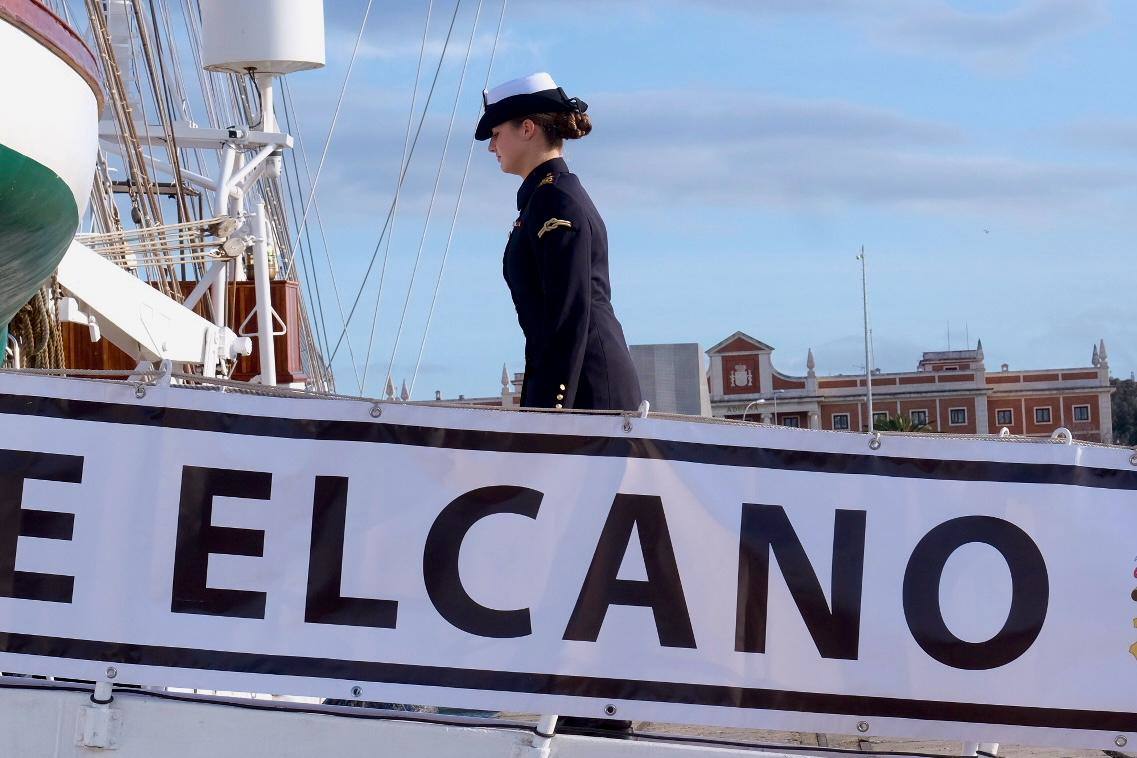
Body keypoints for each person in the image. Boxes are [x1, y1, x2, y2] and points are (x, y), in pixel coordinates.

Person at [476, 72, 642, 413]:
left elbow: (567, 315)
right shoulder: (544, 198)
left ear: (527, 129)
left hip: (586, 391)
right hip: (575, 385)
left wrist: (553, 411)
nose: (492, 147)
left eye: (496, 134)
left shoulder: (555, 200)